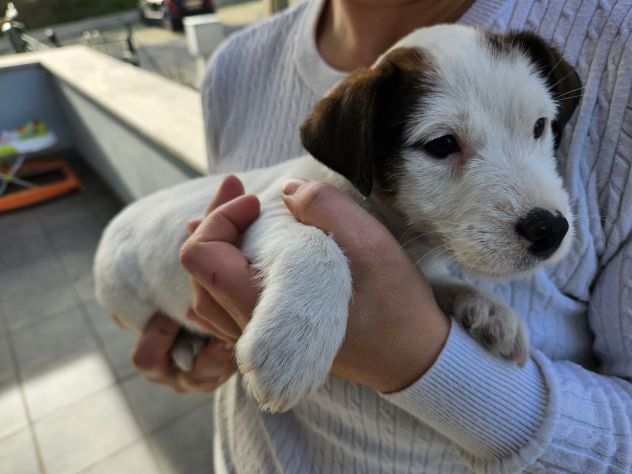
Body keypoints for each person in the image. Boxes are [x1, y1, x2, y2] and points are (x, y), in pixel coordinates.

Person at [128, 0, 632, 472]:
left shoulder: (615, 42)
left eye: (541, 126)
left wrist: (423, 360)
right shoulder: (235, 66)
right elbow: (257, 243)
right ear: (358, 158)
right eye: (442, 145)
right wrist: (207, 331)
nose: (536, 200)